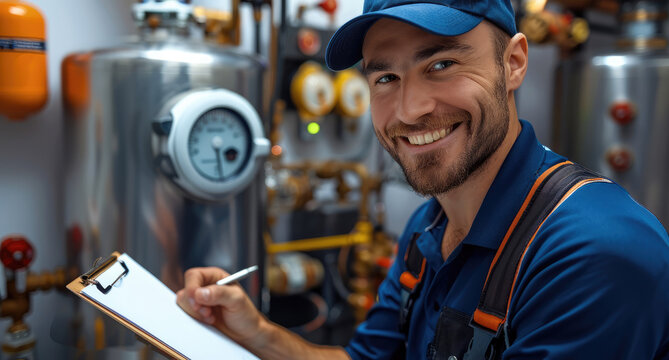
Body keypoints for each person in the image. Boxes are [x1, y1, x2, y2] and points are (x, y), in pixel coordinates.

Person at [176, 0, 669, 359]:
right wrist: (255, 332)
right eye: (385, 78)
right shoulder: (426, 228)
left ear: (513, 62)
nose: (410, 110)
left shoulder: (594, 253)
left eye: (442, 64)